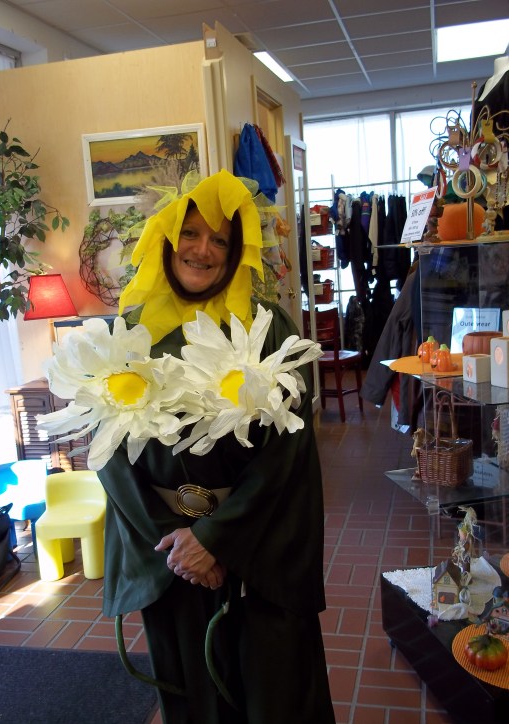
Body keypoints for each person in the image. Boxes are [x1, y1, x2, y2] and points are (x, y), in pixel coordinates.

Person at [96, 169, 336, 724]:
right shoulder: (128, 332)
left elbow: (287, 454)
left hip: (258, 549)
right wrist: (179, 548)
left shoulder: (269, 328)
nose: (202, 250)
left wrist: (216, 539)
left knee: (274, 693)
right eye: (190, 233)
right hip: (169, 556)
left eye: (220, 240)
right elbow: (108, 453)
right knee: (191, 695)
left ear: (237, 252)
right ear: (165, 238)